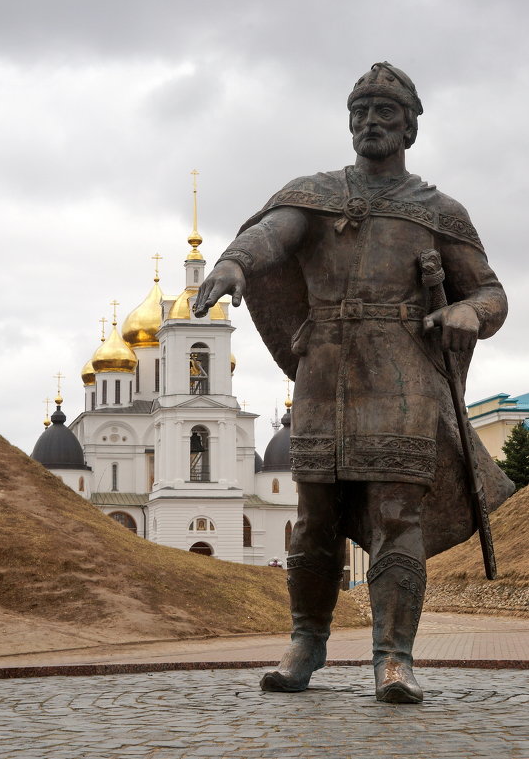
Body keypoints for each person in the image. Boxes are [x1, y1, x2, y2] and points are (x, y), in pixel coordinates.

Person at [194, 62, 513, 703]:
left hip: (402, 380)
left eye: (385, 113)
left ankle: (393, 660)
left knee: (398, 518)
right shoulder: (313, 195)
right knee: (312, 520)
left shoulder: (437, 210)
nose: (371, 123)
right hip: (323, 375)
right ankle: (305, 643)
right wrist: (234, 262)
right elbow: (271, 235)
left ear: (410, 127)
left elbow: (491, 294)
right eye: (360, 113)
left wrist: (462, 311)